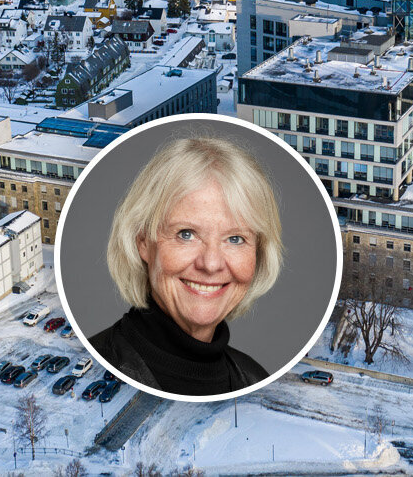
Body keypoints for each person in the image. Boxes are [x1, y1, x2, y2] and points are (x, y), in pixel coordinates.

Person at [90, 136, 285, 396]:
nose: (211, 263)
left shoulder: (254, 379)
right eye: (186, 234)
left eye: (235, 239)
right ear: (143, 242)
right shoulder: (93, 369)